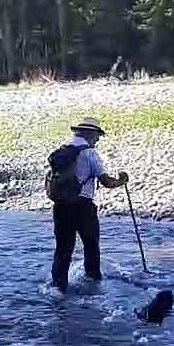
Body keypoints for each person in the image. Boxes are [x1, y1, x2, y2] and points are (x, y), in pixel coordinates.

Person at [47, 117, 129, 295]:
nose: (98, 139)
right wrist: (121, 181)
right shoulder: (89, 153)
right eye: (97, 135)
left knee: (63, 248)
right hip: (83, 206)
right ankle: (92, 282)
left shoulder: (62, 151)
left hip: (60, 205)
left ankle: (57, 288)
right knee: (91, 245)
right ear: (90, 134)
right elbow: (105, 181)